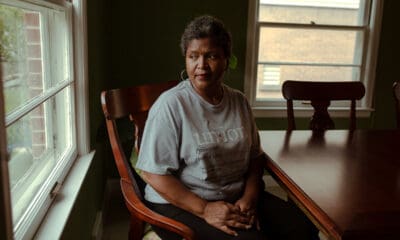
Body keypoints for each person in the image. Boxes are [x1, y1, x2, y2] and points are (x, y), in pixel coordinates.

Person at [136, 15, 319, 240]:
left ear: (226, 59)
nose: (201, 65)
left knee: (303, 228)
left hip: (236, 196)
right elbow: (154, 174)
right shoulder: (171, 105)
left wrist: (250, 198)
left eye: (211, 56)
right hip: (180, 202)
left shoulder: (239, 102)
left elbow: (255, 158)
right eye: (193, 56)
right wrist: (205, 209)